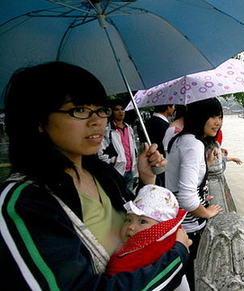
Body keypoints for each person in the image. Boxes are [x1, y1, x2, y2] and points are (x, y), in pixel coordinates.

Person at [0, 62, 190, 290]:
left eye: (101, 109)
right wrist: (176, 256)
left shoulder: (102, 174)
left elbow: (138, 229)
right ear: (39, 120)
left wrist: (146, 179)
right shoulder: (23, 203)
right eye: (79, 110)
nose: (97, 121)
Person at [165, 98, 224, 290]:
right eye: (213, 116)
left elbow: (179, 181)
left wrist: (205, 164)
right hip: (189, 226)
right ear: (200, 117)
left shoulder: (181, 139)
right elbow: (186, 198)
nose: (218, 122)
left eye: (220, 117)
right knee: (190, 274)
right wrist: (207, 213)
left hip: (177, 222)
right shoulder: (193, 145)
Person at [106, 185, 191, 290]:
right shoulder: (129, 247)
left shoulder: (158, 250)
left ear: (161, 228)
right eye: (128, 220)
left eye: (142, 221)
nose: (131, 227)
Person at [98, 100, 139, 192]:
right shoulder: (107, 130)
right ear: (112, 112)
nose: (120, 112)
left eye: (122, 109)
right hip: (117, 170)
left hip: (132, 170)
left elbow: (134, 148)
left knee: (131, 197)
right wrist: (114, 160)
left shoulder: (129, 128)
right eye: (117, 110)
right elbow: (100, 153)